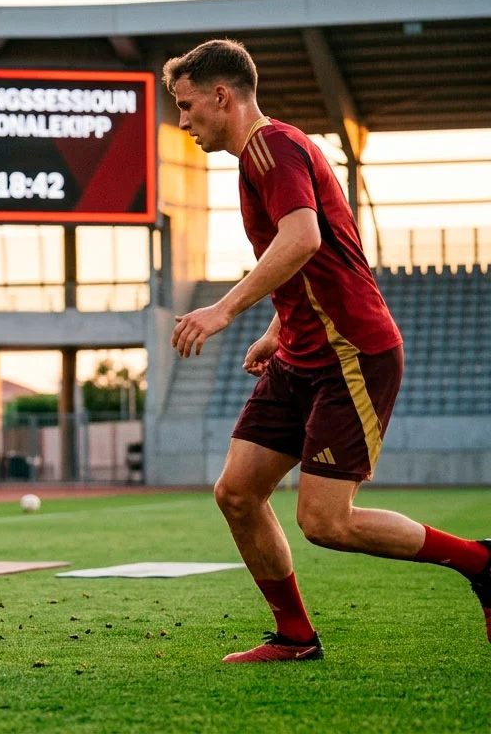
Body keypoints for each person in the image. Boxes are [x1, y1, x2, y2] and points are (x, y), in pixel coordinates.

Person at [164, 39, 489, 662]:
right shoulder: (260, 157)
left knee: (326, 522)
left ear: (221, 96)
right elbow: (322, 255)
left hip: (352, 356)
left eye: (186, 106)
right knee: (236, 492)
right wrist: (279, 328)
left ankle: (481, 562)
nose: (182, 122)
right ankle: (294, 636)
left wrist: (225, 310)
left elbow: (304, 237)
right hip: (302, 354)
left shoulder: (273, 147)